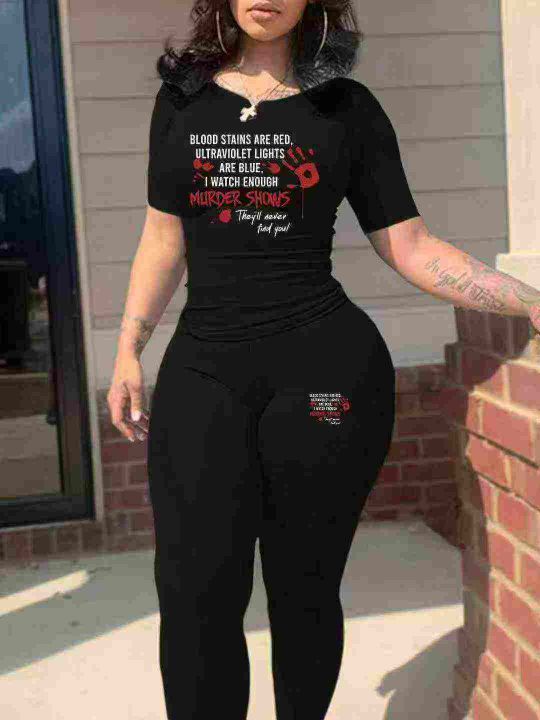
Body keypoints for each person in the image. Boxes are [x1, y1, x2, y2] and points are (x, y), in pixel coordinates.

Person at [107, 1, 540, 718]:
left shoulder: (346, 107)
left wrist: (528, 298)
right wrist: (128, 347)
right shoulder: (181, 100)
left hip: (323, 373)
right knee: (193, 589)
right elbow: (163, 235)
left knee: (303, 586)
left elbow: (410, 246)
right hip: (204, 372)